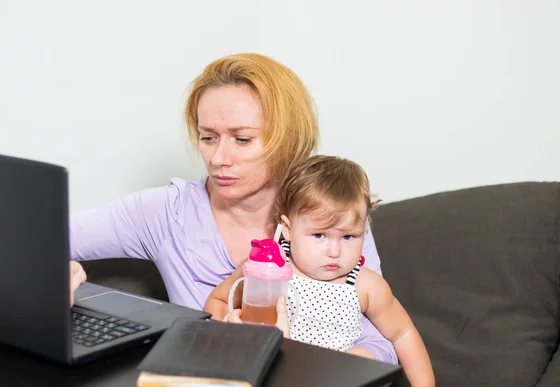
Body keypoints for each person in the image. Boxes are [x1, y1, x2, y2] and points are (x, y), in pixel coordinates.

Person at [69, 53, 398, 364]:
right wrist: (56, 275)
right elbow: (40, 237)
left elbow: (383, 342)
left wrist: (325, 369)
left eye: (242, 139)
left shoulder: (329, 216)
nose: (218, 158)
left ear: (288, 140)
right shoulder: (164, 214)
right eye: (208, 138)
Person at [209, 155, 436, 387]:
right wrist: (228, 326)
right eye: (319, 235)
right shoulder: (268, 268)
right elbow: (218, 300)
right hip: (272, 382)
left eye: (348, 237)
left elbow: (402, 333)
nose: (334, 252)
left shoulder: (365, 285)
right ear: (288, 229)